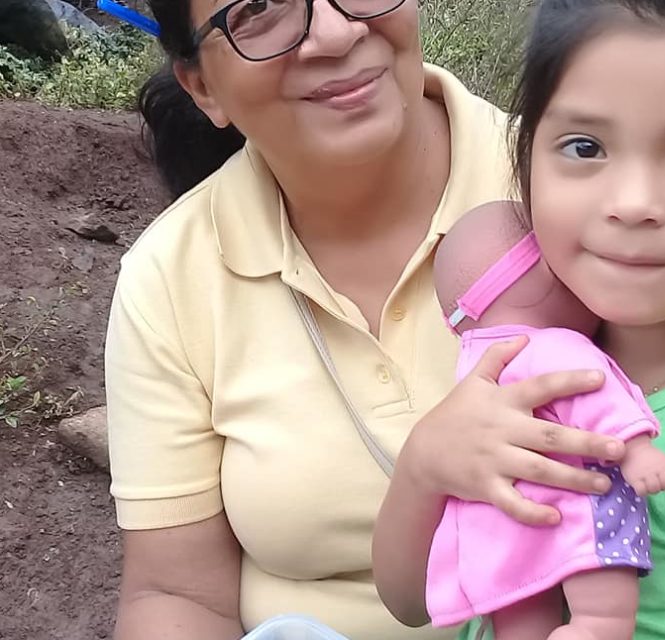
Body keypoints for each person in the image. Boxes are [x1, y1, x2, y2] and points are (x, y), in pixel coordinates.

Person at [105, 1, 626, 638]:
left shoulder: (588, 190)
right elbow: (175, 593)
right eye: (260, 8)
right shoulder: (169, 277)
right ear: (203, 86)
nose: (335, 32)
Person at [372, 0, 665, 638]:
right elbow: (409, 602)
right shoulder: (530, 358)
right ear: (527, 155)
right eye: (585, 147)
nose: (632, 204)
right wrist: (425, 465)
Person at [427, 201, 665, 639]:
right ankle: (595, 628)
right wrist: (636, 447)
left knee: (519, 605)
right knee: (602, 598)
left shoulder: (472, 365)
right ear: (547, 274)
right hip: (576, 508)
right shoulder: (554, 345)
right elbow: (595, 391)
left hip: (500, 524)